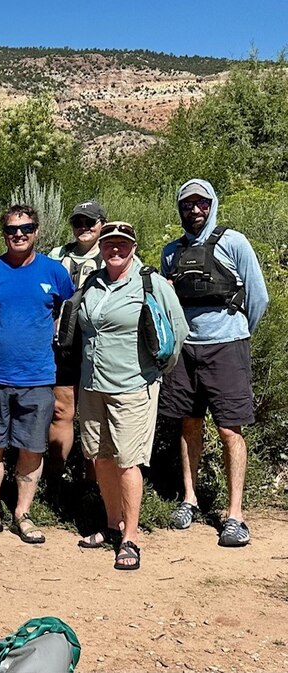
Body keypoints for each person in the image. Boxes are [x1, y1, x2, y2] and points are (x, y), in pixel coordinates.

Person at [160, 179, 269, 547]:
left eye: (201, 204)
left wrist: (237, 332)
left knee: (229, 430)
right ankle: (189, 499)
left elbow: (259, 298)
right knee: (189, 424)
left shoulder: (234, 242)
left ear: (212, 204)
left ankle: (235, 514)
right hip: (185, 350)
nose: (195, 211)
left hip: (227, 348)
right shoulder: (170, 252)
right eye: (187, 205)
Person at [74, 222, 187, 570]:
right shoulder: (93, 281)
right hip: (92, 385)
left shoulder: (149, 283)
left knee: (128, 461)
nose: (115, 250)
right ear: (101, 247)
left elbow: (178, 328)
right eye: (109, 244)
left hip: (132, 386)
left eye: (122, 244)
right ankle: (111, 525)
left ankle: (131, 536)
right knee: (102, 457)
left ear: (134, 246)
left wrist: (156, 374)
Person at [0, 205, 75, 544]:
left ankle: (22, 514)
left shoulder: (54, 272)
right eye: (12, 230)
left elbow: (67, 316)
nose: (19, 234)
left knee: (31, 448)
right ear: (4, 234)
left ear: (37, 231)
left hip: (37, 378)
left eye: (26, 228)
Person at [46, 200, 106, 488]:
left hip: (100, 346)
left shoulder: (114, 253)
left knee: (95, 415)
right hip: (64, 344)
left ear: (101, 225)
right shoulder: (57, 255)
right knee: (62, 409)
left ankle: (93, 485)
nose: (83, 228)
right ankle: (55, 479)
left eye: (89, 222)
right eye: (78, 223)